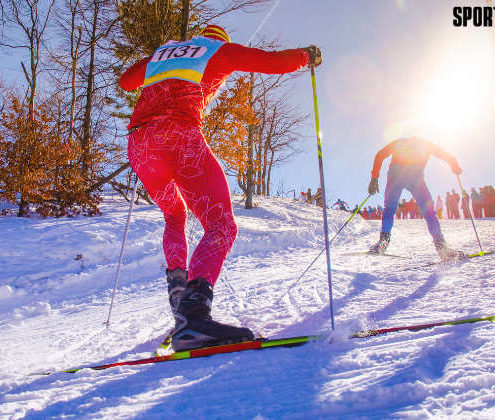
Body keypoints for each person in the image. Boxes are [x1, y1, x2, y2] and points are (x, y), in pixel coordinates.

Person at [119, 24, 321, 351]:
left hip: (140, 146)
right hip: (179, 138)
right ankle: (193, 315)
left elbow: (126, 81)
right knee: (221, 225)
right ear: (219, 39)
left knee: (174, 215)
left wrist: (156, 58)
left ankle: (180, 300)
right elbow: (272, 62)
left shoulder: (164, 54)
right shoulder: (218, 50)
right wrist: (306, 56)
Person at [367, 136, 464, 260]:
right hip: (415, 175)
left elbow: (379, 155)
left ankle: (382, 244)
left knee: (389, 209)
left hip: (395, 174)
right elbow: (448, 157)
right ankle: (442, 250)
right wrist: (455, 167)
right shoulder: (426, 143)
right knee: (429, 212)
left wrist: (374, 178)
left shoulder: (399, 142)